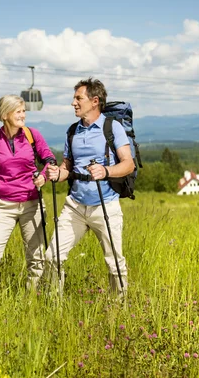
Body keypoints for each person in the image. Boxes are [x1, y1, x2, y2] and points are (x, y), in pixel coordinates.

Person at [45, 78, 135, 296]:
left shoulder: (112, 127)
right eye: (74, 98)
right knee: (52, 256)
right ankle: (53, 307)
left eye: (78, 98)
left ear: (95, 101)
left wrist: (106, 171)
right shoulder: (72, 131)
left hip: (106, 204)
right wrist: (57, 174)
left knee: (114, 263)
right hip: (75, 206)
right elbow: (67, 166)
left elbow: (128, 164)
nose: (73, 103)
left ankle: (119, 308)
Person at [0, 95, 56, 292]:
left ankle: (33, 299)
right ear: (5, 115)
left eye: (24, 111)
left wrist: (43, 177)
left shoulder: (32, 135)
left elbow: (50, 160)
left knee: (36, 257)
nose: (23, 115)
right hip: (3, 206)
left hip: (32, 203)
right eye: (19, 111)